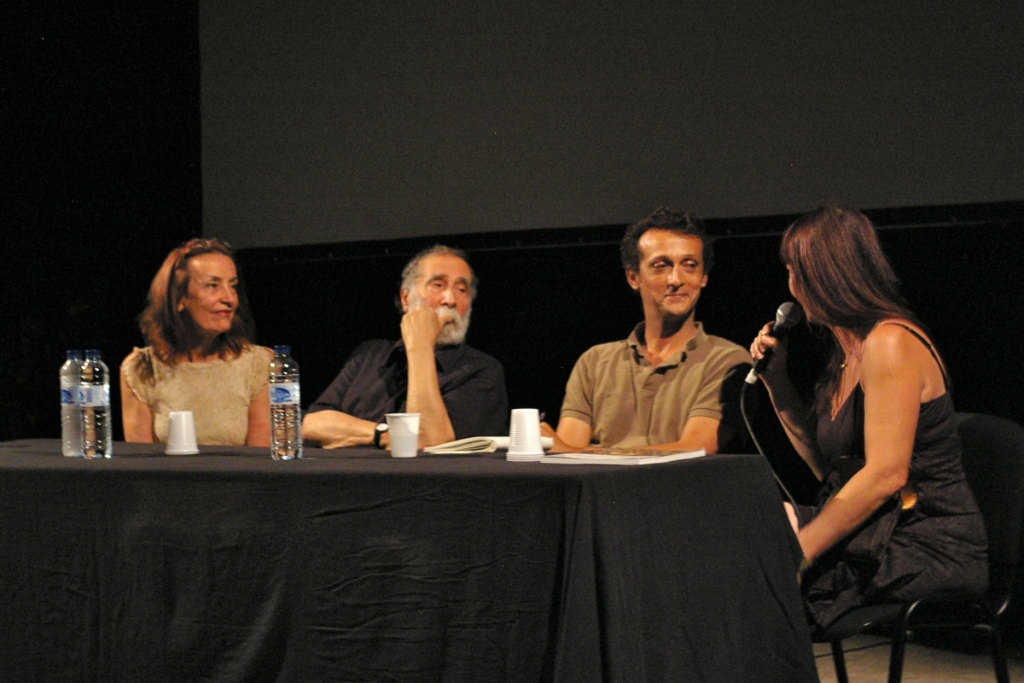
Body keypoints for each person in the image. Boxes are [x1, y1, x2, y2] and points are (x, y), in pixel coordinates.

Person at [749, 203, 987, 630]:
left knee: (761, 578)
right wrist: (778, 384)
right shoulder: (846, 355)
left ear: (827, 276)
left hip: (926, 542)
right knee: (750, 528)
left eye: (796, 273)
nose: (792, 287)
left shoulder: (890, 343)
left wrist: (800, 553)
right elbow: (832, 472)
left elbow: (885, 476)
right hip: (881, 530)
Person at [545, 207, 752, 453]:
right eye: (661, 266)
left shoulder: (727, 361)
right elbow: (569, 463)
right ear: (633, 277)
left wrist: (578, 452)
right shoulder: (594, 362)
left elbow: (693, 452)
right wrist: (570, 451)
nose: (676, 279)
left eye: (690, 265)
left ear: (703, 277)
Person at [302, 245, 508, 449]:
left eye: (462, 290)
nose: (450, 300)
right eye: (438, 285)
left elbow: (430, 440)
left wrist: (421, 346)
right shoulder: (370, 355)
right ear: (406, 298)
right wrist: (384, 434)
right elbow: (311, 425)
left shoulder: (482, 370)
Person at [121, 238, 273, 446]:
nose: (229, 298)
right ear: (179, 298)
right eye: (213, 285)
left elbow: (260, 459)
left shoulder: (258, 364)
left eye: (233, 286)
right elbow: (141, 459)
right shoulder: (141, 368)